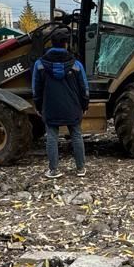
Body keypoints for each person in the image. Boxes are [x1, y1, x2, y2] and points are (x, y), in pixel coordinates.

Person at [31, 29, 89, 178]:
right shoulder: (76, 64)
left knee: (51, 136)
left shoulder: (40, 64)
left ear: (51, 44)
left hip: (50, 106)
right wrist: (84, 105)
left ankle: (53, 170)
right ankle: (80, 169)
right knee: (76, 135)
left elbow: (36, 89)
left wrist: (38, 106)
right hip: (72, 106)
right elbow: (84, 87)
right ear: (66, 44)